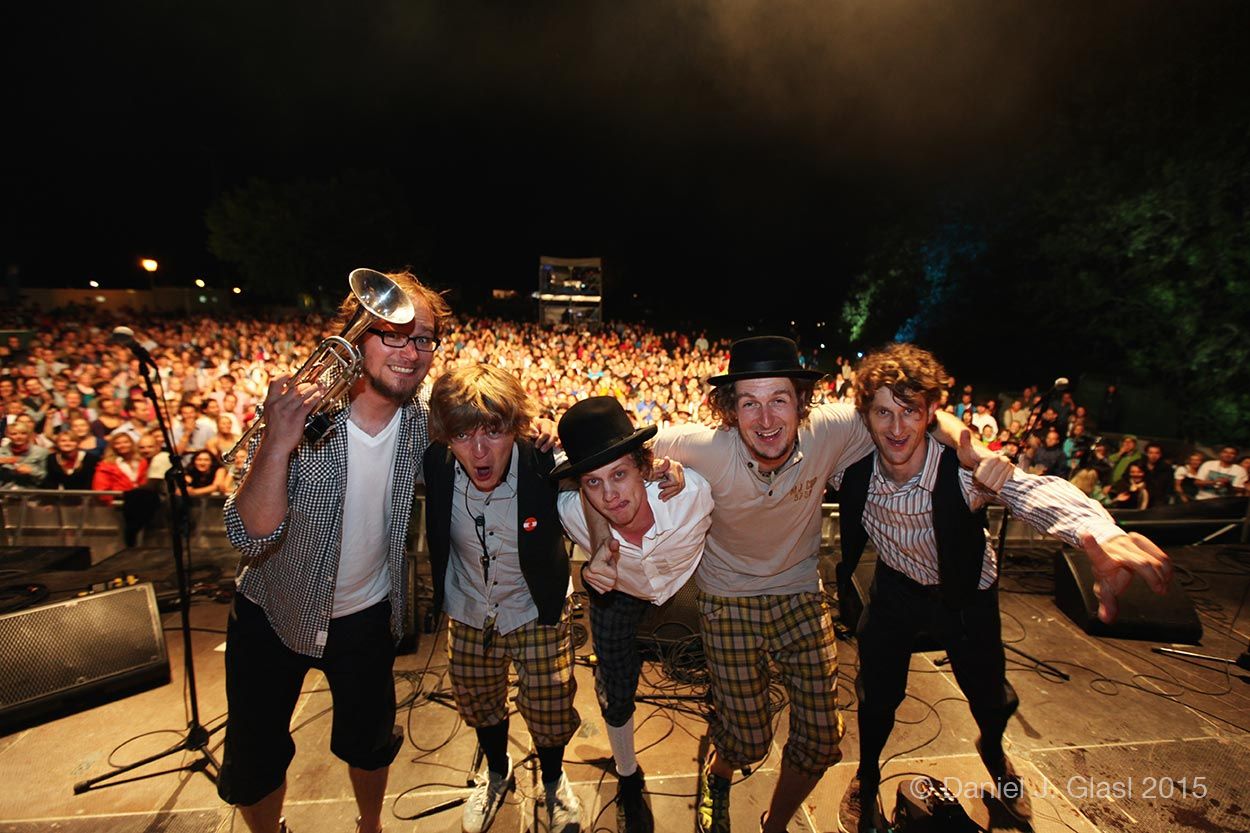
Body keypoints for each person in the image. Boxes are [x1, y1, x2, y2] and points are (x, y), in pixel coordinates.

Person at [648, 336, 1012, 833]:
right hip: (727, 595)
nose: (766, 419)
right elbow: (619, 452)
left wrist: (974, 447)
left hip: (799, 589)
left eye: (779, 400)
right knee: (748, 740)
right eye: (750, 403)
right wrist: (655, 467)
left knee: (822, 742)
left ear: (802, 402)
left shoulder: (833, 429)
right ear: (730, 411)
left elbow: (912, 409)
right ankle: (720, 771)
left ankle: (775, 824)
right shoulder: (699, 446)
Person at [834, 343, 1173, 832]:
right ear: (866, 417)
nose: (896, 427)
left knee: (990, 699)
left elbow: (1028, 489)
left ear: (931, 414)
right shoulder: (851, 469)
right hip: (896, 590)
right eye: (883, 412)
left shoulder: (963, 467)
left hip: (966, 594)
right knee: (876, 698)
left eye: (910, 411)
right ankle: (866, 776)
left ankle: (994, 755)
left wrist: (1098, 532)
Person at [219, 269, 452, 833]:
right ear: (356, 335)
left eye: (423, 339)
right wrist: (277, 442)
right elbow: (250, 535)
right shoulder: (303, 414)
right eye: (393, 334)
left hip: (367, 617)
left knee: (370, 743)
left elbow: (488, 437)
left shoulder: (423, 424)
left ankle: (370, 826)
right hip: (274, 612)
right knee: (255, 758)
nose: (410, 352)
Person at [422, 363, 583, 833]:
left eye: (493, 432)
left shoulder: (543, 461)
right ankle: (496, 772)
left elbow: (612, 469)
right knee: (478, 701)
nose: (479, 450)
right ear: (446, 437)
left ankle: (553, 780)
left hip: (536, 606)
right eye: (463, 435)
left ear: (516, 427)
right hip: (469, 606)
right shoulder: (434, 464)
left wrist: (664, 470)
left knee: (551, 704)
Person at [553, 396, 714, 833]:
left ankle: (721, 760)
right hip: (619, 592)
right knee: (615, 685)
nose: (610, 495)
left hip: (690, 582)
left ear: (645, 467)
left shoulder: (691, 495)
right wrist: (588, 569)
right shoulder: (570, 511)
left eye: (620, 474)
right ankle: (627, 774)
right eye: (593, 482)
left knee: (728, 666)